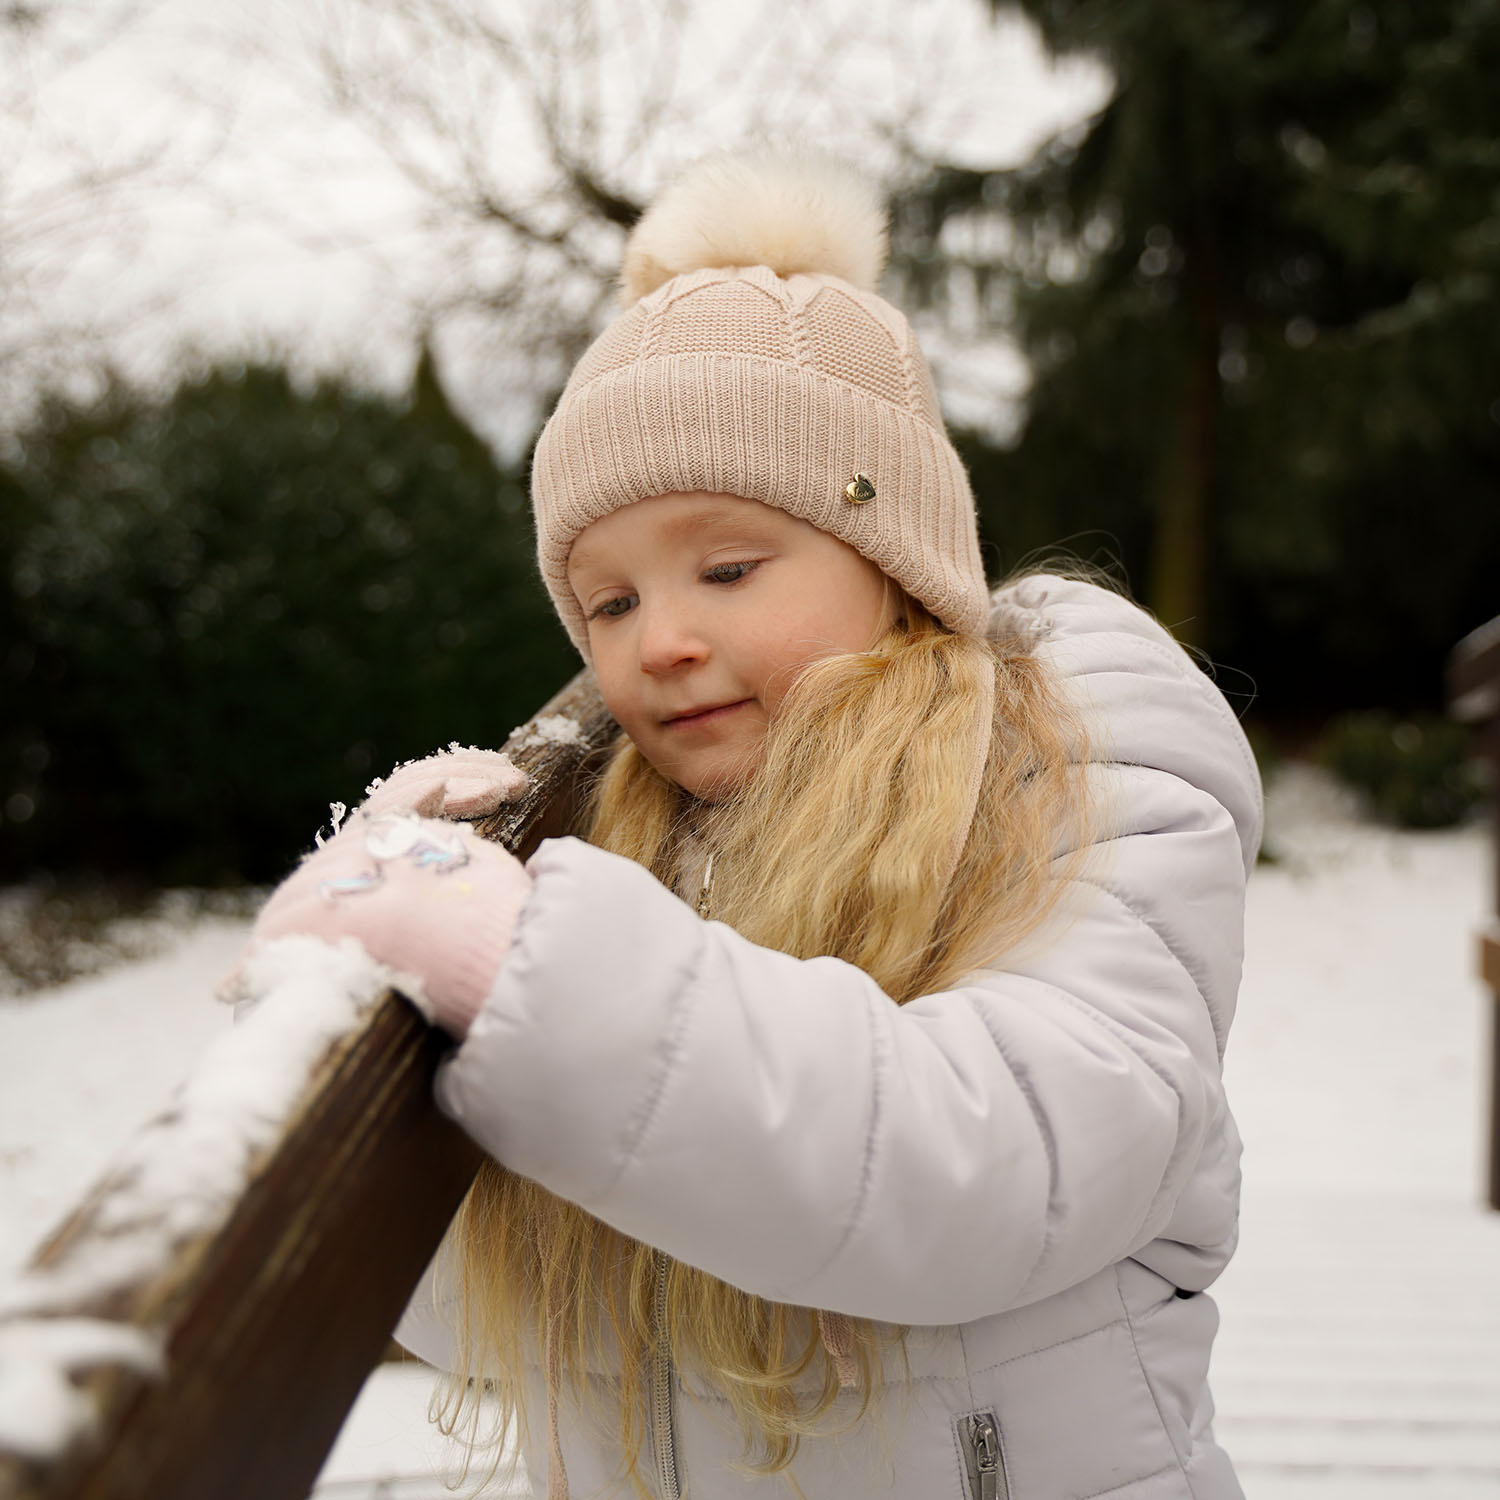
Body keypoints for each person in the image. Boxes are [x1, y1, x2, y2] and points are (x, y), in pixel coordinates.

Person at [242, 149, 1262, 1500]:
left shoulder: (1067, 752)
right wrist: (375, 1005)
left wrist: (528, 968)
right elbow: (500, 1323)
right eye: (606, 604)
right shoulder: (616, 825)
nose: (660, 640)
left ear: (893, 554)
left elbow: (1012, 1159)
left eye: (727, 567)